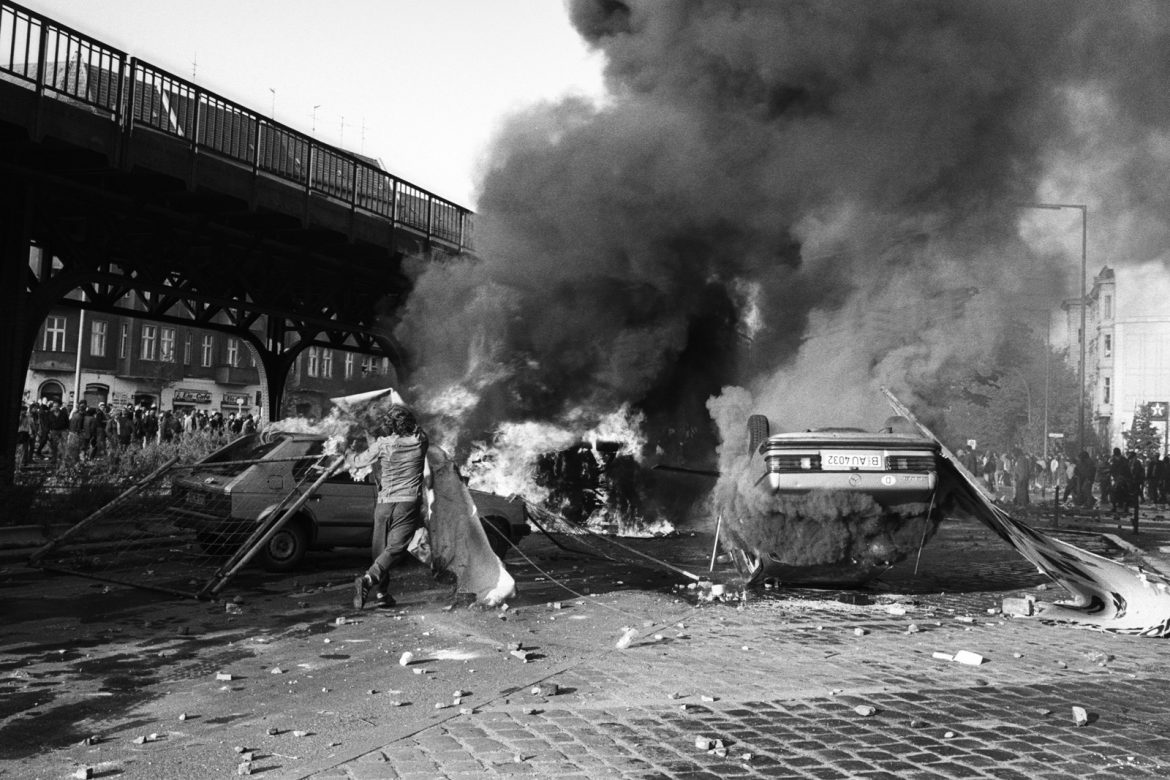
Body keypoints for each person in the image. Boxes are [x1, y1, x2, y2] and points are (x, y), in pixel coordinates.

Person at [347, 405, 429, 609]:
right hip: (406, 504)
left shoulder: (383, 445)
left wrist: (347, 452)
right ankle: (368, 581)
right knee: (395, 548)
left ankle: (382, 594)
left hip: (384, 504)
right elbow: (420, 430)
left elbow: (357, 462)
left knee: (380, 551)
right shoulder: (420, 442)